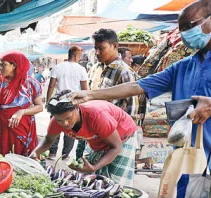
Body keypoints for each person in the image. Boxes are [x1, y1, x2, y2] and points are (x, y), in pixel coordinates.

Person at [71, 0, 211, 167]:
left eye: (189, 27)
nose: (184, 35)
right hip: (186, 156)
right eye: (181, 30)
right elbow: (137, 86)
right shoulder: (183, 66)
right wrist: (89, 94)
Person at [33, 91, 138, 185]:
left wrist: (95, 167)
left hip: (123, 135)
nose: (65, 123)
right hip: (99, 137)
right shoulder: (56, 122)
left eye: (68, 118)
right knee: (94, 180)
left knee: (117, 182)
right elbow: (48, 140)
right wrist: (35, 153)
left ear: (77, 107)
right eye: (60, 120)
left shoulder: (96, 115)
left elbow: (116, 147)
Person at [78, 29, 140, 159]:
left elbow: (132, 108)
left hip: (115, 136)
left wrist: (120, 140)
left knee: (110, 177)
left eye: (101, 48)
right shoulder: (95, 69)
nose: (97, 53)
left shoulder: (123, 72)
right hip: (93, 133)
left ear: (115, 46)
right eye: (95, 48)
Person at [0, 51, 44, 156]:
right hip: (3, 131)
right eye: (0, 64)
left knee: (22, 162)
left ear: (14, 66)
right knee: (3, 159)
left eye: (3, 65)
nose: (0, 68)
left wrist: (22, 112)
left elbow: (40, 107)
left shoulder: (30, 84)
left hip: (24, 131)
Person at [46, 46, 90, 160]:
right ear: (76, 56)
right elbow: (85, 89)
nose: (80, 58)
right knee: (70, 127)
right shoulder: (81, 69)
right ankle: (65, 155)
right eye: (79, 56)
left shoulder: (57, 67)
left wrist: (48, 101)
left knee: (55, 125)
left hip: (57, 100)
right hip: (72, 101)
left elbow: (51, 85)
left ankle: (52, 153)